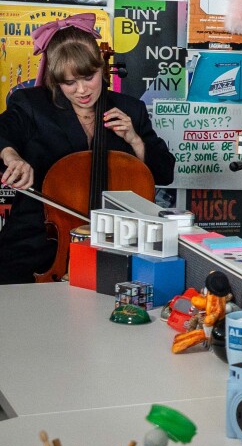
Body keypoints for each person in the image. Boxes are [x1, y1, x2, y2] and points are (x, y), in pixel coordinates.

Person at [0, 18, 175, 284]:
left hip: (115, 245)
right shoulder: (31, 104)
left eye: (88, 77)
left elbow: (165, 172)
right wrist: (12, 157)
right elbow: (4, 132)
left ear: (102, 68)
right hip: (39, 244)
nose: (82, 90)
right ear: (56, 80)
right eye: (69, 83)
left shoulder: (131, 109)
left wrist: (136, 140)